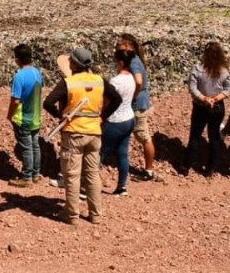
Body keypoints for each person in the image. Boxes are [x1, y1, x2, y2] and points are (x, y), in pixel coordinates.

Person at [43, 47, 121, 225]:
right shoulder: (100, 81)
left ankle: (71, 215)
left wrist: (59, 115)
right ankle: (96, 214)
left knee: (72, 175)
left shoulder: (68, 82)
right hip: (94, 132)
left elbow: (47, 103)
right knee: (92, 174)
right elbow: (116, 98)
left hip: (74, 132)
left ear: (73, 63)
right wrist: (103, 116)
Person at [183, 41, 230, 177]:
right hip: (217, 107)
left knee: (195, 136)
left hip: (200, 106)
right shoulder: (223, 71)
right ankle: (210, 169)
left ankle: (186, 166)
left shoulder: (197, 69)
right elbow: (229, 88)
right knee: (214, 137)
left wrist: (205, 99)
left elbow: (192, 88)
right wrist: (215, 99)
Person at [116, 34, 156, 181]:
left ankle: (149, 170)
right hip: (139, 102)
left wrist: (132, 96)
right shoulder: (135, 60)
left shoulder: (133, 61)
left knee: (143, 136)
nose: (118, 47)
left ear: (129, 46)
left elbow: (138, 81)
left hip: (137, 104)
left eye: (121, 45)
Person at [100, 49, 136, 196]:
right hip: (129, 118)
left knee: (100, 153)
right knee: (122, 153)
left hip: (115, 121)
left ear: (120, 63)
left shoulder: (116, 81)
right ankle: (122, 186)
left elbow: (107, 101)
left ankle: (86, 186)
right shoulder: (131, 78)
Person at [7, 43, 44, 187]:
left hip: (22, 117)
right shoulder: (37, 73)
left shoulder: (19, 76)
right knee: (35, 146)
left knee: (26, 148)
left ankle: (27, 177)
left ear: (17, 59)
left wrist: (9, 115)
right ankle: (36, 174)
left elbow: (15, 100)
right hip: (36, 116)